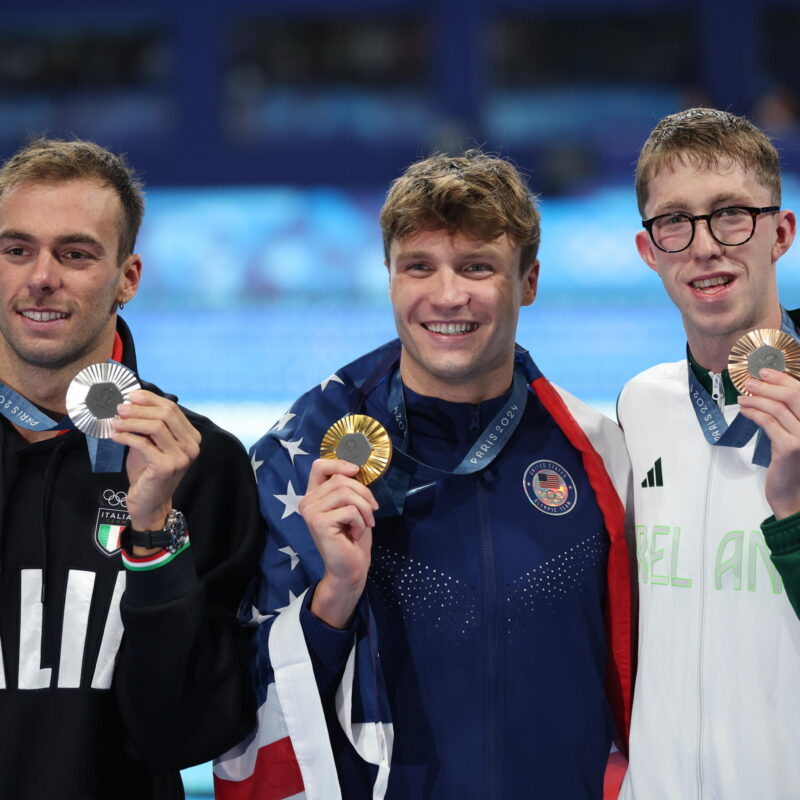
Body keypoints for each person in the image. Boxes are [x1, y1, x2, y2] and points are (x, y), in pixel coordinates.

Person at [215, 150, 634, 799]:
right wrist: (335, 597)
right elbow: (248, 709)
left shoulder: (598, 456)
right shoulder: (297, 459)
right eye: (420, 267)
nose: (447, 295)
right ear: (389, 278)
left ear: (528, 281)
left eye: (477, 267)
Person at [0, 138, 263, 799]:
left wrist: (153, 536)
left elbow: (187, 736)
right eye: (16, 249)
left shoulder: (202, 466)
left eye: (76, 253)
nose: (42, 276)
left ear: (129, 277)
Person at [618, 108, 800, 799]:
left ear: (781, 233)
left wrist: (795, 514)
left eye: (731, 215)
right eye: (676, 222)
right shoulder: (641, 406)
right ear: (648, 250)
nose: (704, 247)